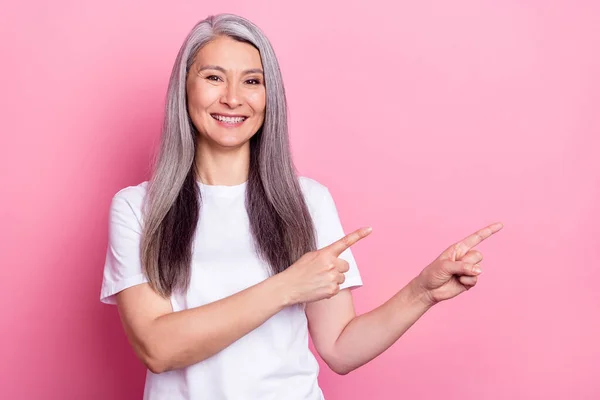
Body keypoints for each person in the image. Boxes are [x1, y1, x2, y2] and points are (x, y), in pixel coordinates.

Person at [100, 13, 503, 400]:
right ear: (184, 88)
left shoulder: (307, 201)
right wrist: (288, 286)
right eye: (213, 77)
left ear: (268, 95)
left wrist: (421, 292)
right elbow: (158, 348)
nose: (233, 98)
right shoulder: (139, 208)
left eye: (252, 81)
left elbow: (340, 348)